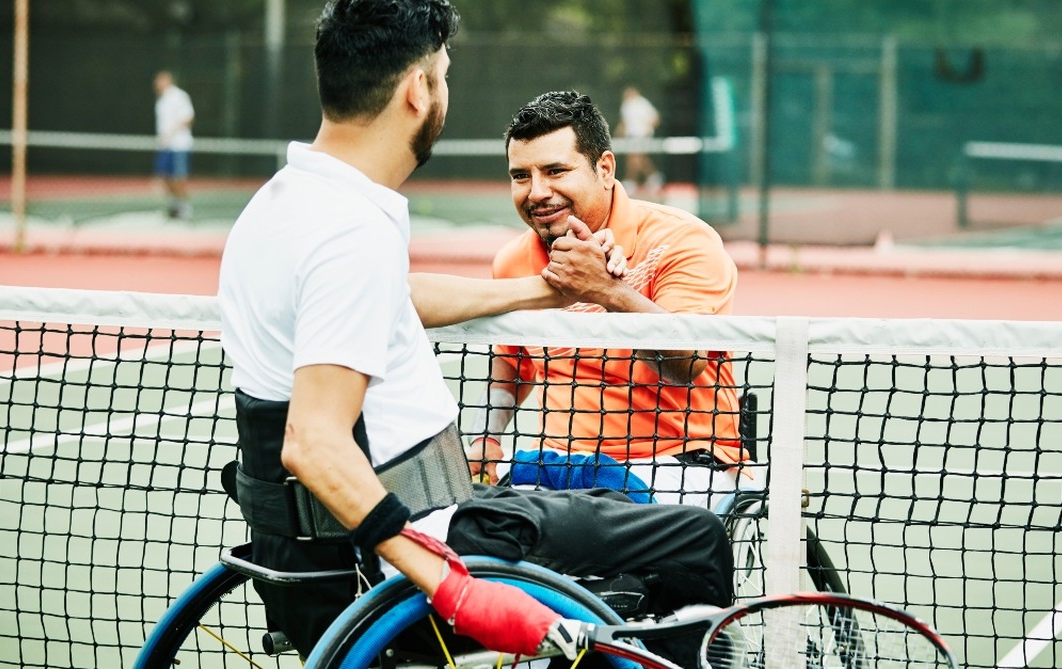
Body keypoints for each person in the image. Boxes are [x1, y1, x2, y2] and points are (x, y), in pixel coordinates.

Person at [216, 1, 733, 664]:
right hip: (434, 540)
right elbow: (313, 443)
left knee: (594, 498)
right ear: (417, 89)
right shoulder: (352, 234)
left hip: (308, 554)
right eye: (446, 75)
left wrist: (550, 289)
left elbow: (393, 296)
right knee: (695, 538)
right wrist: (453, 587)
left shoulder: (279, 208)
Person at [466, 90, 757, 511]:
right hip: (559, 472)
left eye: (555, 171)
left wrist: (606, 291)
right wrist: (486, 437)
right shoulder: (513, 261)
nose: (536, 192)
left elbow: (685, 363)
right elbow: (513, 362)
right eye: (521, 176)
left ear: (604, 169)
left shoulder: (684, 241)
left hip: (681, 466)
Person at [153, 70, 195, 220]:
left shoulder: (178, 96)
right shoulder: (161, 100)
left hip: (179, 146)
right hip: (165, 146)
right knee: (165, 177)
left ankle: (184, 208)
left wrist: (171, 133)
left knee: (178, 178)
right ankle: (174, 206)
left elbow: (188, 118)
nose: (157, 84)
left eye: (161, 80)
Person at [616, 85, 663, 196]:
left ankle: (631, 182)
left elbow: (655, 118)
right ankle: (654, 178)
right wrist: (619, 134)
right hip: (631, 136)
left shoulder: (642, 103)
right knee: (637, 159)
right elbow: (624, 123)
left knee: (635, 158)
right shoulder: (626, 105)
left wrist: (647, 129)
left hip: (642, 135)